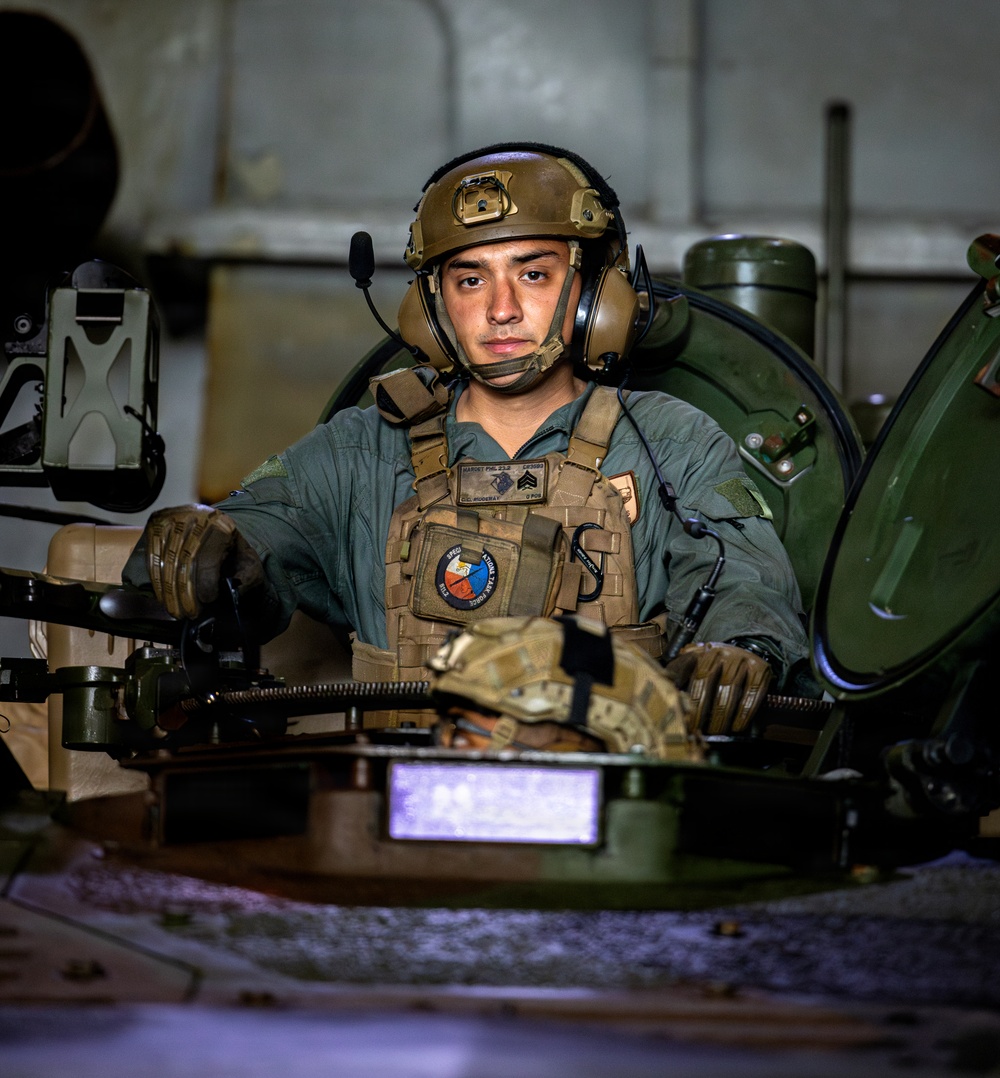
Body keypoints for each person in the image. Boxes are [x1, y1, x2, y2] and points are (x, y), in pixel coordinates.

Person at [123, 144, 808, 744]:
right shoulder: (362, 448)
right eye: (470, 279)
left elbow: (745, 575)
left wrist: (737, 647)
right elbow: (254, 539)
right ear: (431, 308)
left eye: (532, 274)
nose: (501, 309)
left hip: (609, 803)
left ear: (595, 295)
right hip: (397, 799)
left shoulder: (669, 440)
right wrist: (207, 543)